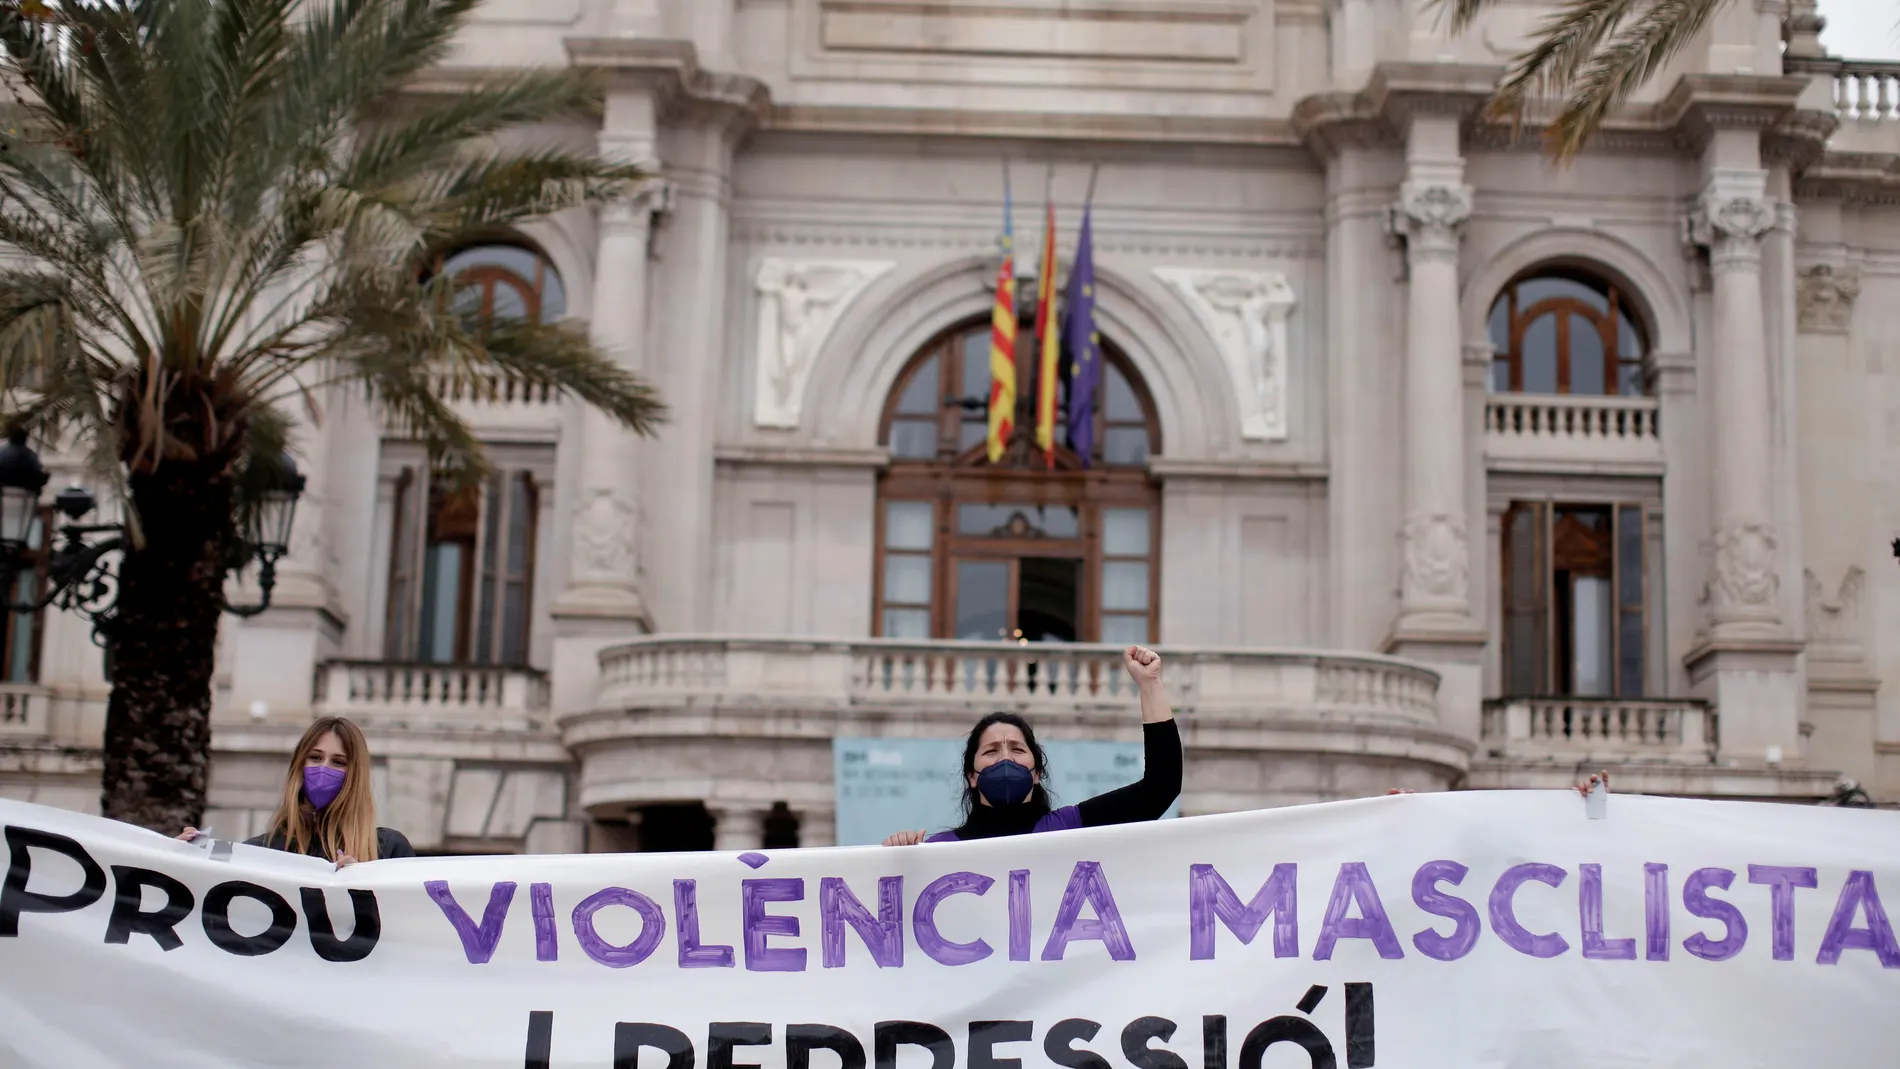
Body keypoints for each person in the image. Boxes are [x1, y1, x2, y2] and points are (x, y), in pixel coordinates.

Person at [882, 644, 1181, 845]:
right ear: (971, 776)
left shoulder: (1071, 829)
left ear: (1036, 772)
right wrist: (895, 862)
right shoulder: (937, 850)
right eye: (990, 751)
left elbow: (1160, 789)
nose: (1004, 759)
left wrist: (1149, 684)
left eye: (1017, 749)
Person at [177, 716, 413, 866]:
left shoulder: (389, 850)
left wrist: (362, 887)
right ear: (298, 765)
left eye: (338, 762)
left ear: (356, 775)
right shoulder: (262, 850)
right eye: (315, 758)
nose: (323, 769)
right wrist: (177, 856)